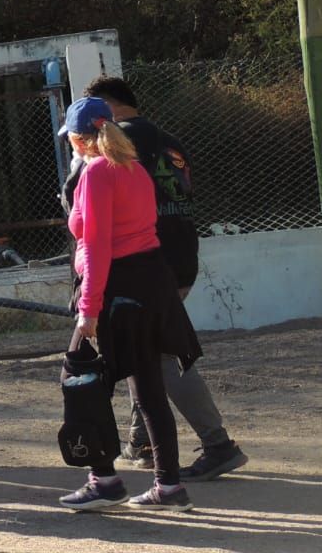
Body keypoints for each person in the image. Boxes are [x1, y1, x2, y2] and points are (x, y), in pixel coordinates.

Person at [83, 76, 248, 483]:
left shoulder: (117, 145)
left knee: (161, 354)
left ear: (107, 106)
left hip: (145, 261)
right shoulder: (170, 140)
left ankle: (218, 444)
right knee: (147, 347)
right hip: (181, 257)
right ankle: (141, 441)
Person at [58, 96, 200, 512]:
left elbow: (97, 243)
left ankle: (103, 479)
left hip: (118, 286)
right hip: (150, 280)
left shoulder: (98, 172)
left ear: (81, 140)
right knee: (148, 387)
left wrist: (88, 308)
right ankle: (168, 487)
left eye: (71, 139)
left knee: (79, 376)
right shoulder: (133, 168)